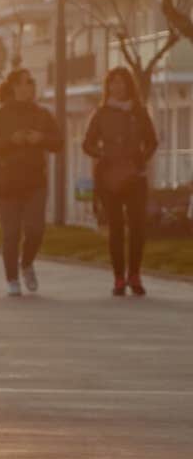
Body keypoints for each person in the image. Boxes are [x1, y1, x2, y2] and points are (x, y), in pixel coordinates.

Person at [0, 68, 62, 295]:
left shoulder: (42, 114)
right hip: (5, 182)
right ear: (14, 87)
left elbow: (58, 142)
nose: (29, 87)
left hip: (35, 181)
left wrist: (41, 138)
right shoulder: (0, 115)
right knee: (11, 233)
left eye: (32, 83)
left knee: (35, 230)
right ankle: (12, 279)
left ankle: (27, 263)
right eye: (25, 83)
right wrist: (9, 140)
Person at [82, 66, 158, 296]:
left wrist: (139, 160)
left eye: (122, 82)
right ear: (108, 87)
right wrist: (102, 154)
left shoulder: (139, 112)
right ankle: (118, 278)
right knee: (115, 227)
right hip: (108, 177)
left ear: (129, 85)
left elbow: (152, 141)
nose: (118, 86)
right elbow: (87, 144)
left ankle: (134, 275)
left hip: (135, 176)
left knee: (137, 227)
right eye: (113, 82)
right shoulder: (101, 113)